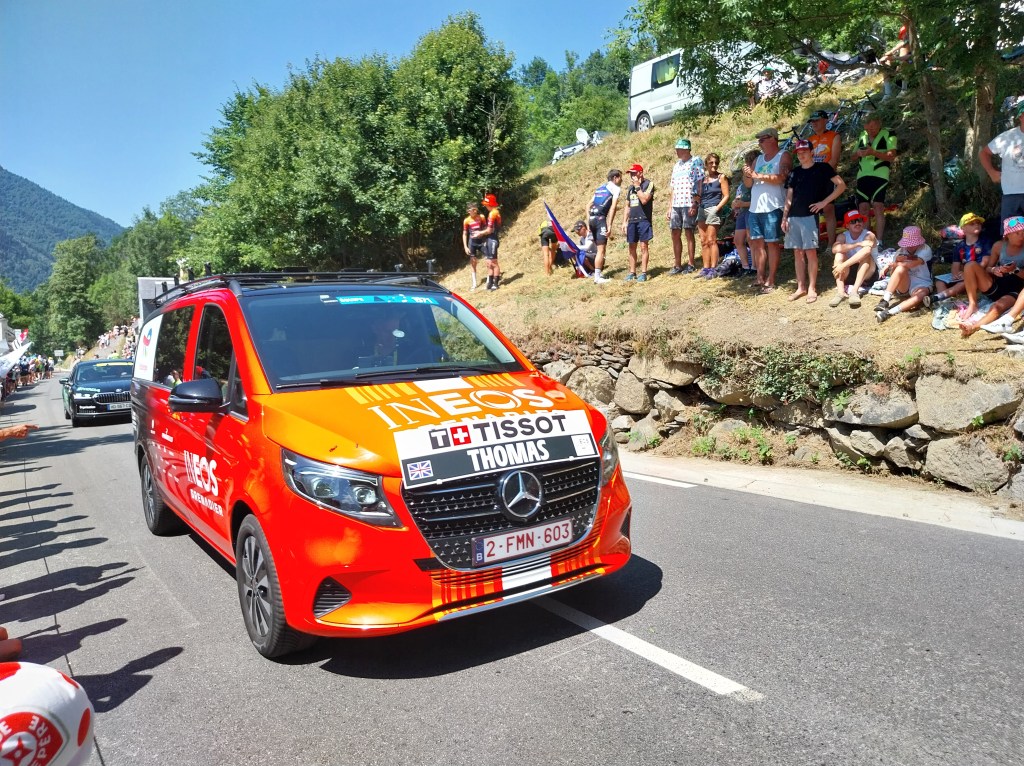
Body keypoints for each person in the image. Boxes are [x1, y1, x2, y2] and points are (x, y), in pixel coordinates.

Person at [782, 139, 847, 303]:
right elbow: (789, 197)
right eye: (798, 152)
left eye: (804, 151)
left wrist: (825, 202)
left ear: (811, 152)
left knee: (810, 252)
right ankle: (800, 287)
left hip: (809, 216)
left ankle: (812, 288)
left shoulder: (823, 168)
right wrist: (784, 217)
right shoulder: (794, 172)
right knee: (798, 253)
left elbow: (841, 186)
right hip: (793, 216)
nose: (801, 154)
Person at [957, 216, 1024, 336]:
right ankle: (973, 304)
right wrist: (995, 270)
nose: (1021, 235)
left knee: (997, 307)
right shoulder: (999, 246)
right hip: (997, 283)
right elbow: (987, 268)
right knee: (970, 265)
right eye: (1017, 233)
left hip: (1016, 290)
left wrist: (1015, 269)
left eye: (1023, 232)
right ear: (1007, 234)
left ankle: (973, 327)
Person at [745, 127, 792, 293]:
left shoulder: (783, 155)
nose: (760, 143)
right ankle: (759, 277)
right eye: (759, 140)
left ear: (773, 139)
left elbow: (782, 178)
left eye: (762, 139)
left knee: (772, 244)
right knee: (757, 244)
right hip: (755, 207)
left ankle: (771, 279)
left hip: (773, 206)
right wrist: (748, 174)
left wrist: (759, 176)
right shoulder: (758, 159)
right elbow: (749, 184)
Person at [874, 226, 934, 323]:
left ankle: (890, 312)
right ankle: (885, 300)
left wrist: (894, 264)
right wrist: (894, 264)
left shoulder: (926, 249)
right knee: (901, 268)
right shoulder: (900, 251)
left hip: (922, 282)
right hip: (905, 283)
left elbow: (911, 264)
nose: (909, 247)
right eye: (907, 244)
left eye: (912, 244)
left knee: (921, 295)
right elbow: (895, 271)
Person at [854, 115, 898, 245]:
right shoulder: (862, 135)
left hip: (880, 174)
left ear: (879, 124)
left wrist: (873, 152)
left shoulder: (888, 133)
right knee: (863, 208)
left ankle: (879, 240)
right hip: (862, 175)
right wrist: (858, 154)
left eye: (873, 128)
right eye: (867, 128)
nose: (870, 131)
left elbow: (891, 156)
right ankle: (868, 239)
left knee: (878, 205)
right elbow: (852, 156)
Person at [979, 101, 1024, 222]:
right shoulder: (1007, 137)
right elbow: (984, 153)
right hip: (1011, 193)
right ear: (1020, 116)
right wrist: (991, 172)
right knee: (1010, 235)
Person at [932, 212, 992, 302]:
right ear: (963, 228)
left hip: (979, 274)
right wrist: (955, 274)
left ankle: (939, 297)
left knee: (964, 282)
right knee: (939, 282)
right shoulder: (959, 246)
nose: (976, 225)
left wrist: (967, 274)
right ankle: (945, 302)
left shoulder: (985, 242)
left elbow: (985, 261)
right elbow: (955, 264)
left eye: (978, 223)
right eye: (972, 224)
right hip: (963, 274)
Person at [666, 139, 705, 275]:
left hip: (689, 202)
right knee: (675, 233)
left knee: (689, 232)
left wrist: (695, 202)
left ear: (686, 149)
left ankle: (691, 263)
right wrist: (670, 207)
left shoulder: (696, 161)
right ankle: (677, 264)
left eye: (678, 149)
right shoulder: (676, 165)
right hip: (676, 204)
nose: (676, 151)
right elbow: (673, 187)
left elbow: (699, 182)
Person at [807, 109, 843, 249]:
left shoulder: (834, 136)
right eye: (812, 121)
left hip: (827, 178)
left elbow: (834, 161)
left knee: (828, 209)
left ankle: (830, 244)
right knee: (812, 211)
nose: (814, 123)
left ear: (825, 120)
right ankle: (813, 244)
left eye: (816, 120)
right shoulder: (810, 140)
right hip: (811, 180)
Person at [830, 210, 879, 307]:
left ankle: (854, 292)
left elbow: (866, 251)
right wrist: (857, 244)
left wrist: (843, 265)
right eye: (853, 221)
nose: (857, 223)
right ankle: (841, 292)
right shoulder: (843, 236)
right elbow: (834, 249)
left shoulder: (869, 235)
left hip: (869, 272)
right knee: (839, 255)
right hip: (850, 271)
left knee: (866, 256)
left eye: (859, 220)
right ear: (847, 225)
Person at [587, 169, 623, 284]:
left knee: (599, 249)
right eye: (620, 178)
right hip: (600, 219)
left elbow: (588, 205)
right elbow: (613, 207)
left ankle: (598, 274)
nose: (621, 180)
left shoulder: (600, 188)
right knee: (601, 250)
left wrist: (589, 220)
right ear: (615, 178)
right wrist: (610, 225)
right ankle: (597, 277)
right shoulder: (616, 189)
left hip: (592, 219)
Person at [696, 153, 730, 277]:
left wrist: (717, 208)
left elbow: (726, 195)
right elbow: (698, 196)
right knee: (704, 241)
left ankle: (713, 268)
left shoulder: (721, 177)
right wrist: (696, 200)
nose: (714, 165)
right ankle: (705, 268)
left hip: (714, 209)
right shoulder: (702, 180)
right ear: (706, 165)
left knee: (712, 240)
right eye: (711, 163)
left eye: (716, 162)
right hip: (702, 209)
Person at [622, 163, 655, 282]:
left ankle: (644, 272)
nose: (632, 176)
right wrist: (624, 222)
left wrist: (637, 186)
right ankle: (632, 272)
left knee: (643, 246)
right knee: (631, 247)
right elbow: (627, 206)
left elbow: (645, 199)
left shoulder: (648, 184)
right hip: (632, 221)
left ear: (640, 173)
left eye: (634, 173)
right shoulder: (630, 188)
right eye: (630, 173)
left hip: (643, 220)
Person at [731, 149, 759, 274]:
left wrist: (744, 204)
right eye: (746, 164)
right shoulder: (743, 181)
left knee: (751, 239)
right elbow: (739, 195)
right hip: (742, 212)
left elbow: (758, 200)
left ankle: (755, 266)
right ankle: (745, 266)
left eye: (749, 163)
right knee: (738, 240)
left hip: (751, 210)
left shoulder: (756, 179)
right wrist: (735, 203)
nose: (747, 166)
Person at [476, 193, 502, 290]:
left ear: (490, 204)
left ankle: (496, 283)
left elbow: (490, 230)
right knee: (488, 262)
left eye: (486, 204)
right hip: (489, 239)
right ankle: (490, 282)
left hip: (492, 239)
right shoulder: (492, 213)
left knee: (493, 262)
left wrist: (480, 233)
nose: (485, 206)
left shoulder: (493, 213)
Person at [461, 202, 487, 290]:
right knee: (473, 262)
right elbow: (464, 234)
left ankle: (489, 278)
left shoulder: (481, 217)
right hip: (472, 242)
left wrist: (486, 240)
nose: (473, 211)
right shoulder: (466, 220)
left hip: (481, 241)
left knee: (488, 258)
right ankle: (474, 283)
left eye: (474, 209)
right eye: (471, 210)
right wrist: (465, 246)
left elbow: (485, 229)